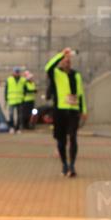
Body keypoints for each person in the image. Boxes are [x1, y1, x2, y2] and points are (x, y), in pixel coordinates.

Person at [45, 47, 87, 177]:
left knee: (73, 137)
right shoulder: (56, 73)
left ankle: (72, 165)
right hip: (59, 111)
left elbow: (80, 93)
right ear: (61, 62)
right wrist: (61, 54)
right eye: (64, 60)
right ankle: (64, 163)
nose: (67, 62)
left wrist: (83, 110)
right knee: (61, 140)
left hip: (73, 111)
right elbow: (48, 67)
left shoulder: (77, 75)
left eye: (68, 60)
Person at [4, 66, 25, 133]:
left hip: (20, 100)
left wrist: (23, 98)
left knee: (19, 115)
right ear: (13, 72)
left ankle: (18, 128)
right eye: (16, 72)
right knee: (11, 114)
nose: (17, 73)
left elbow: (25, 89)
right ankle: (12, 127)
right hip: (11, 100)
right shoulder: (9, 79)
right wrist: (6, 98)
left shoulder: (23, 80)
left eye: (18, 72)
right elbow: (6, 90)